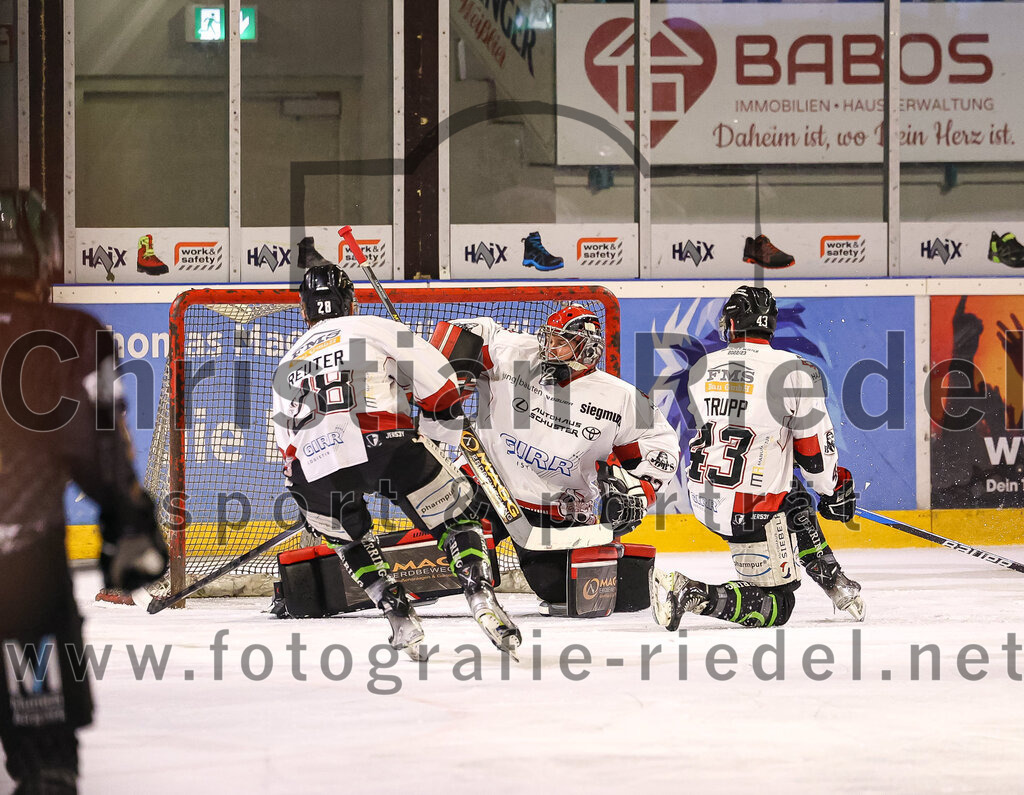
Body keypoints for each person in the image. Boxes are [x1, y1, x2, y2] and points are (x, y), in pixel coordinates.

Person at [270, 242, 520, 660]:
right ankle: (478, 594)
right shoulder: (375, 325)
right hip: (385, 445)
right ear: (351, 300)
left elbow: (288, 451)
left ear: (304, 311)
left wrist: (313, 504)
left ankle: (394, 609)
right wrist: (436, 429)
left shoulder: (286, 362)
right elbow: (441, 390)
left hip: (314, 468)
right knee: (457, 516)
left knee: (348, 538)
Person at [0, 188, 168, 793]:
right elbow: (96, 451)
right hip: (23, 569)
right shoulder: (71, 331)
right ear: (44, 254)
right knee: (46, 759)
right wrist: (128, 522)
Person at [431, 305, 680, 615]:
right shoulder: (518, 354)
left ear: (586, 348)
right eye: (549, 339)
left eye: (560, 342)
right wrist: (446, 362)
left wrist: (638, 494)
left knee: (560, 591)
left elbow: (661, 445)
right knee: (441, 562)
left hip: (555, 505)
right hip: (484, 483)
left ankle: (614, 558)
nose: (549, 347)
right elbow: (474, 331)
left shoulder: (623, 398)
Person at [651, 285, 864, 631]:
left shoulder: (703, 368)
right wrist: (833, 489)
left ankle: (832, 580)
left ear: (732, 325)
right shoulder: (796, 371)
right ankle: (690, 591)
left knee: (793, 495)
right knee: (779, 605)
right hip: (749, 510)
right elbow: (816, 461)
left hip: (704, 496)